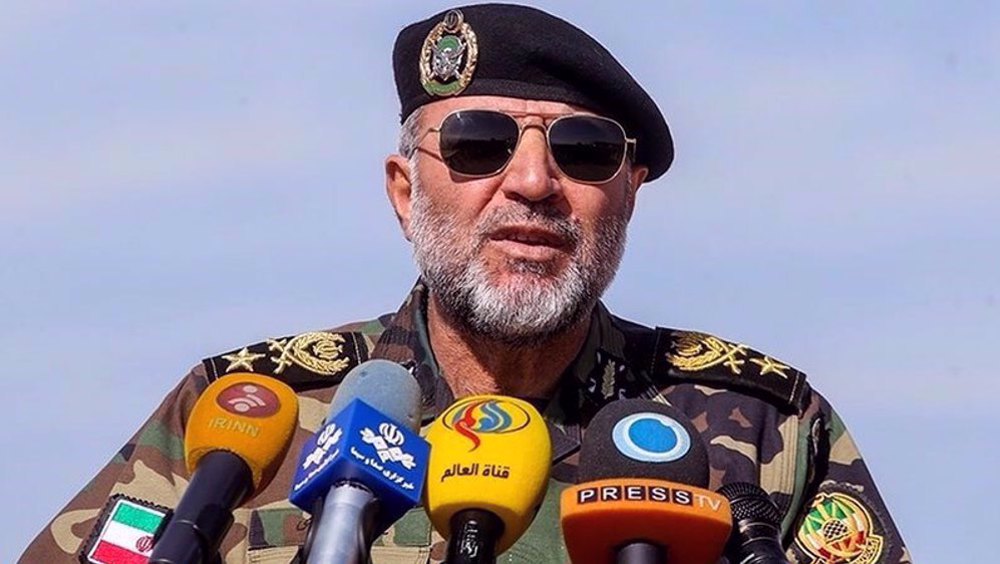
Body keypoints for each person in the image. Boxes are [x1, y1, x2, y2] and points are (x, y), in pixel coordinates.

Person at [21, 4, 910, 563]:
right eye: (480, 145)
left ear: (628, 195)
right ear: (406, 193)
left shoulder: (765, 431)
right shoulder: (250, 415)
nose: (532, 184)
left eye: (585, 152)